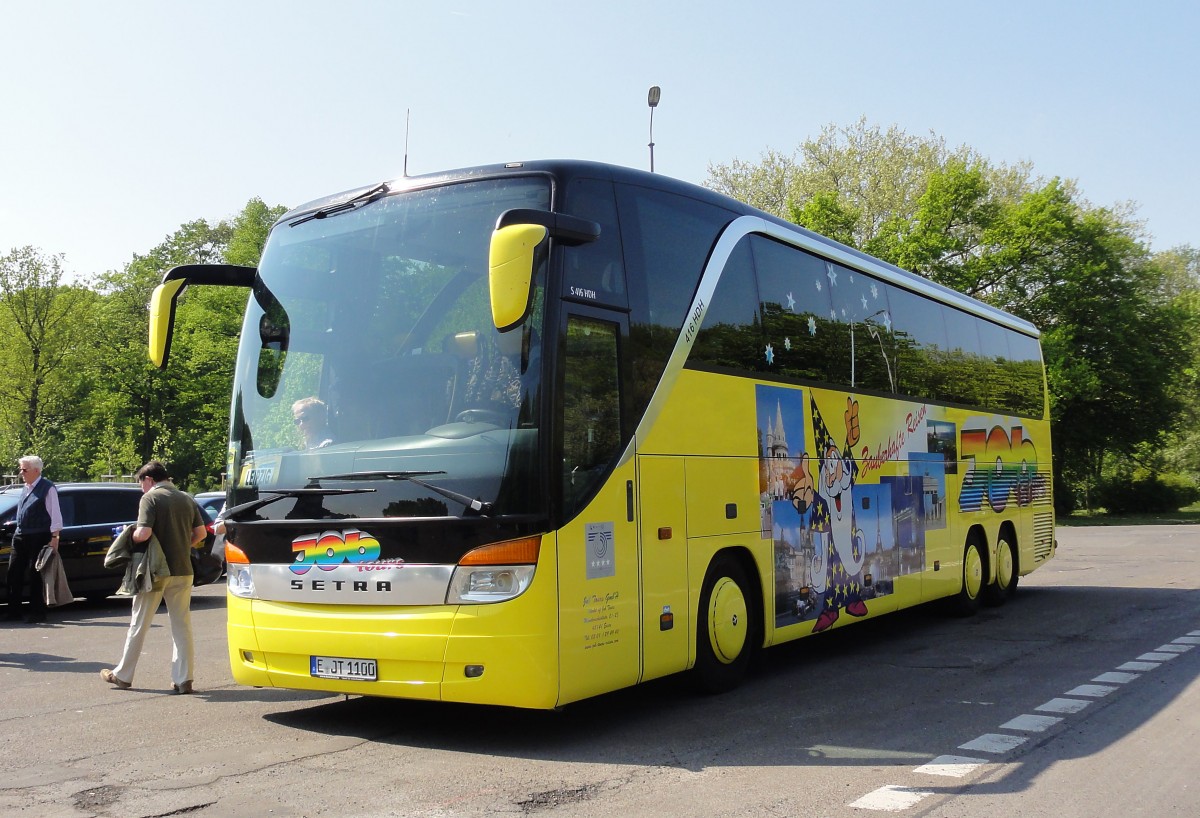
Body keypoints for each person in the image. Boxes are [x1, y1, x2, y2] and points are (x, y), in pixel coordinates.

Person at [100, 461, 206, 694]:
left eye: (141, 484)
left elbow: (144, 533)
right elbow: (200, 533)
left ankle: (123, 675)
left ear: (148, 479)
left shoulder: (150, 498)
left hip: (154, 571)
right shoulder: (186, 498)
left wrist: (127, 534)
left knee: (139, 623)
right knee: (182, 625)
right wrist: (181, 546)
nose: (141, 489)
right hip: (184, 570)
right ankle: (184, 679)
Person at [4, 456, 63, 624]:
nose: (21, 473)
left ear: (36, 470)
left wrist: (55, 537)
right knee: (14, 573)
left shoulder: (47, 488)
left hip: (39, 535)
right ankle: (14, 611)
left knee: (35, 574)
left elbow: (55, 514)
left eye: (24, 469)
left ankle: (37, 612)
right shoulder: (26, 487)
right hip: (20, 535)